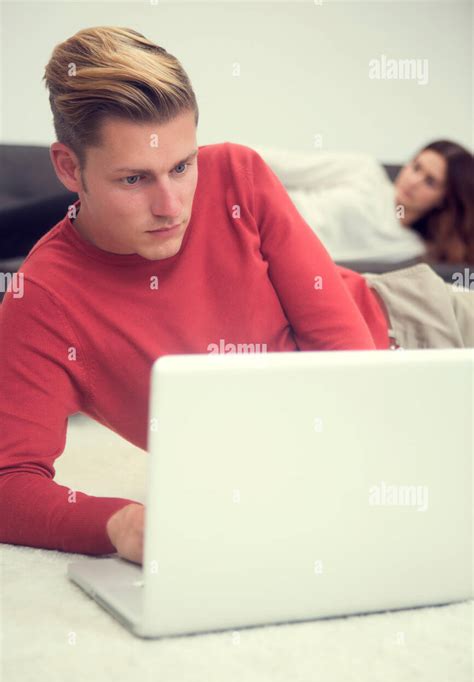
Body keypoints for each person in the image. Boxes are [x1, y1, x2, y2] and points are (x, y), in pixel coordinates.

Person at [0, 26, 472, 568]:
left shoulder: (236, 174)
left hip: (415, 325)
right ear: (68, 168)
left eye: (182, 166)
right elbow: (10, 483)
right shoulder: (41, 301)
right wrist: (119, 522)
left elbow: (348, 361)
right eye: (134, 180)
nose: (171, 205)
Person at [249, 140, 474, 266]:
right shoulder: (366, 172)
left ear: (443, 201)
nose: (413, 181)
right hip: (256, 216)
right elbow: (286, 166)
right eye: (416, 166)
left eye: (430, 182)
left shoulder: (411, 249)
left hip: (271, 259)